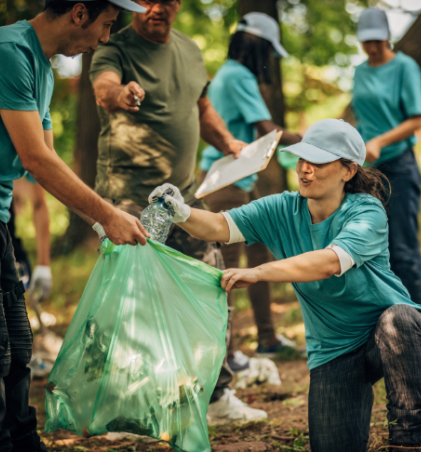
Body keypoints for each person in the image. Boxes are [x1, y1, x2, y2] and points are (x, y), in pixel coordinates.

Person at [0, 1, 151, 451]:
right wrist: (107, 214)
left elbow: (45, 167)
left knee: (16, 347)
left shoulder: (43, 70)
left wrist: (100, 224)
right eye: (106, 25)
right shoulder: (7, 52)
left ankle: (23, 442)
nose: (106, 39)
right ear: (79, 13)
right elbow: (35, 157)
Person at [149, 119, 421, 451]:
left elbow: (329, 262)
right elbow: (218, 226)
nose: (305, 169)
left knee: (396, 321)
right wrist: (181, 211)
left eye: (318, 162)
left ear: (348, 171)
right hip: (335, 352)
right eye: (302, 159)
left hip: (393, 334)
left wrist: (260, 272)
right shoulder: (282, 208)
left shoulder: (367, 212)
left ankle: (406, 441)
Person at [89, 0, 266, 425]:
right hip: (128, 199)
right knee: (133, 303)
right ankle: (124, 408)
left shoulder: (190, 50)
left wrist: (229, 145)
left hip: (182, 197)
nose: (157, 8)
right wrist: (123, 93)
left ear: (178, 5)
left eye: (166, 0)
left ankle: (217, 395)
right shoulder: (115, 46)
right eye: (147, 0)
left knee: (214, 284)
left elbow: (202, 109)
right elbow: (103, 89)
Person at [198, 12, 303, 365]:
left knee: (259, 254)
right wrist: (310, 141)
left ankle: (268, 338)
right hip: (226, 182)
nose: (269, 60)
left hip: (240, 178)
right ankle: (223, 356)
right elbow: (265, 129)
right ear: (256, 46)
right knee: (225, 269)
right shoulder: (237, 75)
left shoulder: (230, 74)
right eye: (269, 51)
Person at [351, 8, 421, 307]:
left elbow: (417, 118)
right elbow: (361, 117)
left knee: (403, 250)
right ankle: (390, 320)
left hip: (399, 164)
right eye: (365, 41)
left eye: (376, 40)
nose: (371, 47)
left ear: (388, 37)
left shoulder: (404, 68)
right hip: (368, 169)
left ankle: (419, 321)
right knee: (373, 248)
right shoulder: (359, 71)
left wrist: (381, 141)